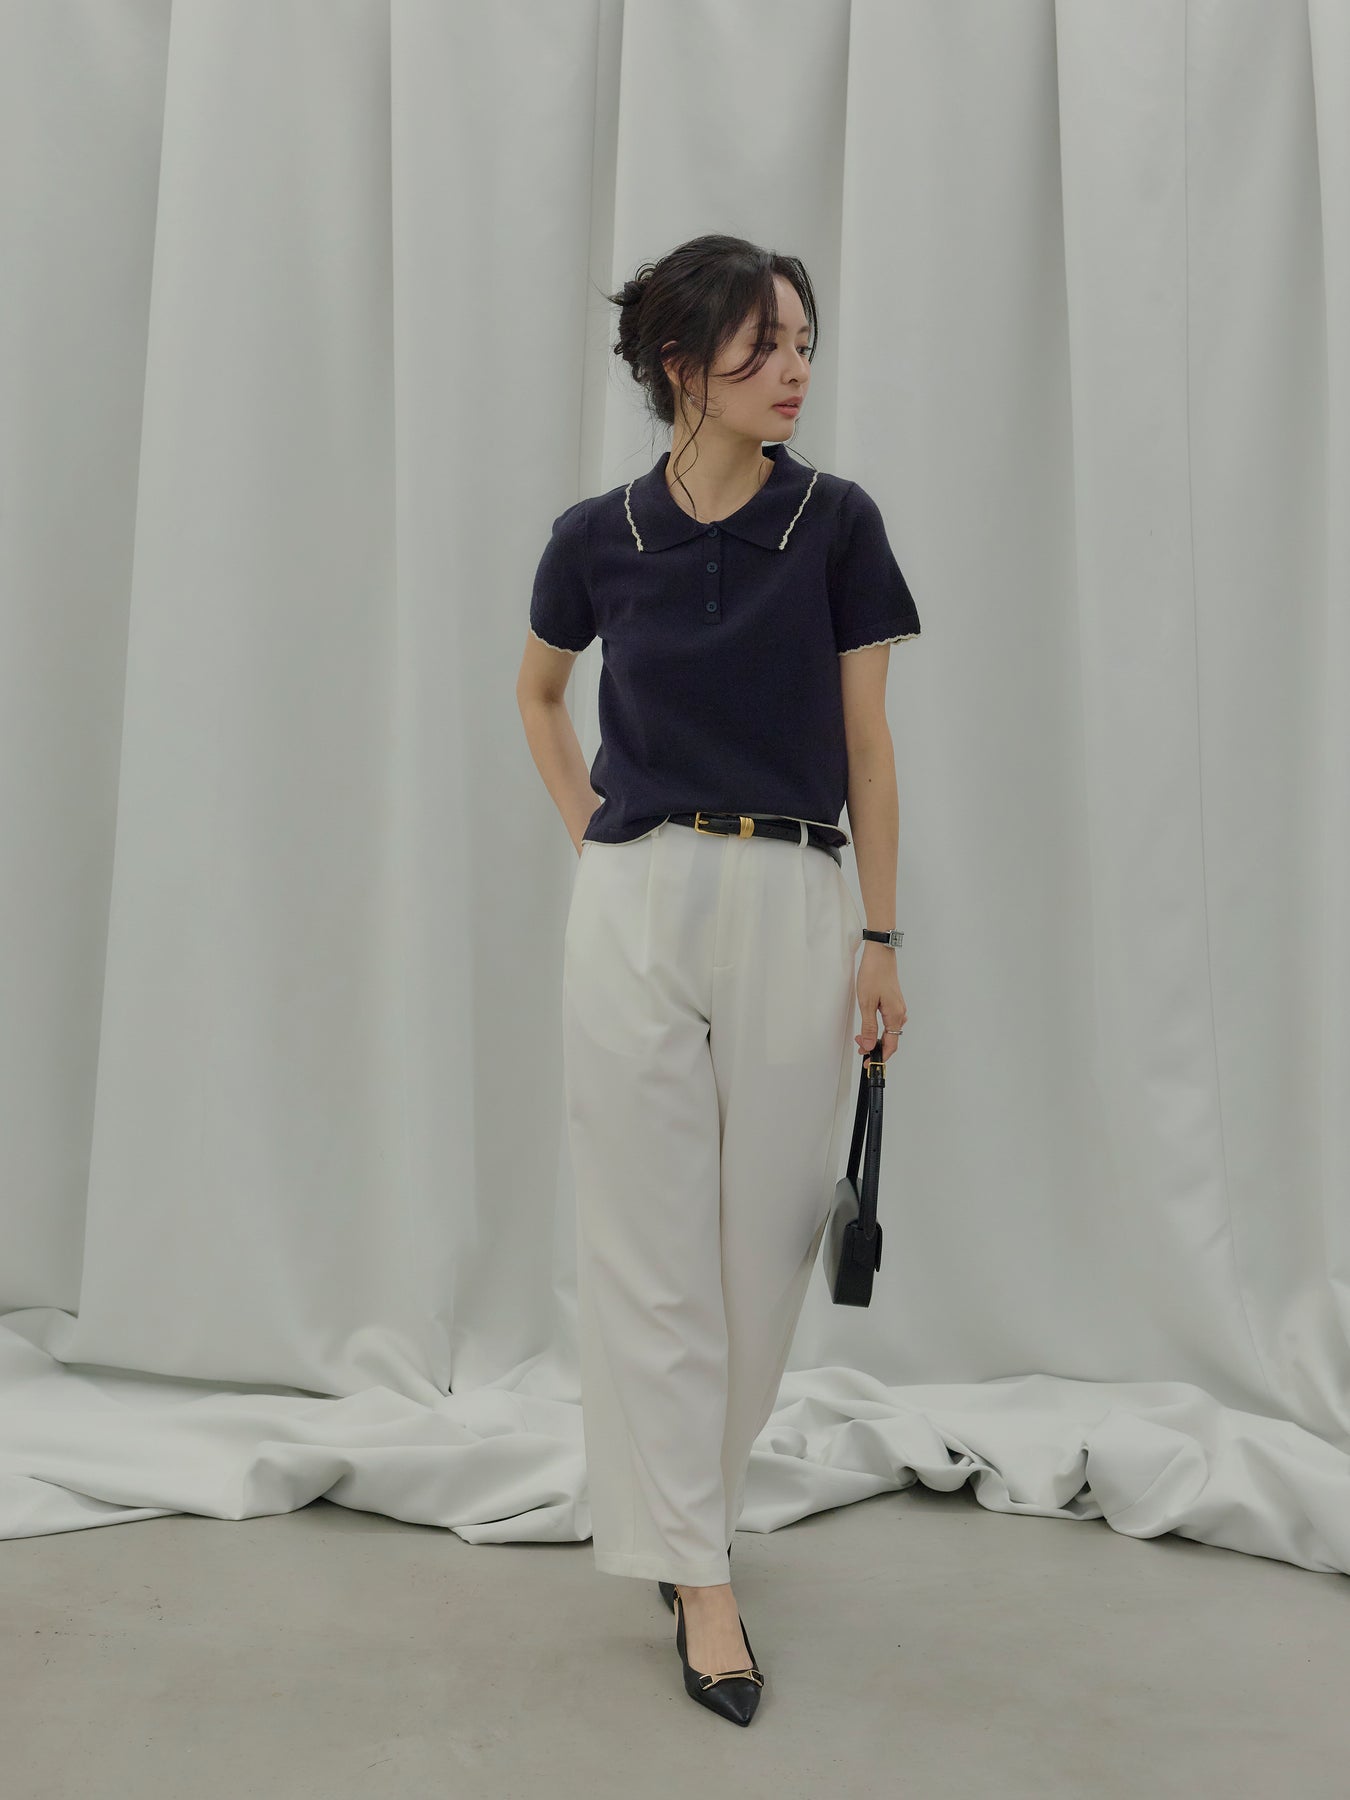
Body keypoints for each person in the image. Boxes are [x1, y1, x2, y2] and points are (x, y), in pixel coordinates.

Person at [515, 234, 920, 1725]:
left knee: (757, 1250)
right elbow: (538, 694)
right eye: (763, 345)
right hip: (637, 898)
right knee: (645, 1247)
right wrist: (596, 842)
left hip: (796, 895)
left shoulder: (836, 523)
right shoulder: (595, 535)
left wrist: (881, 937)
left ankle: (685, 1513)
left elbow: (868, 744)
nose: (794, 370)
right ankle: (697, 1573)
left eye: (804, 341)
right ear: (681, 365)